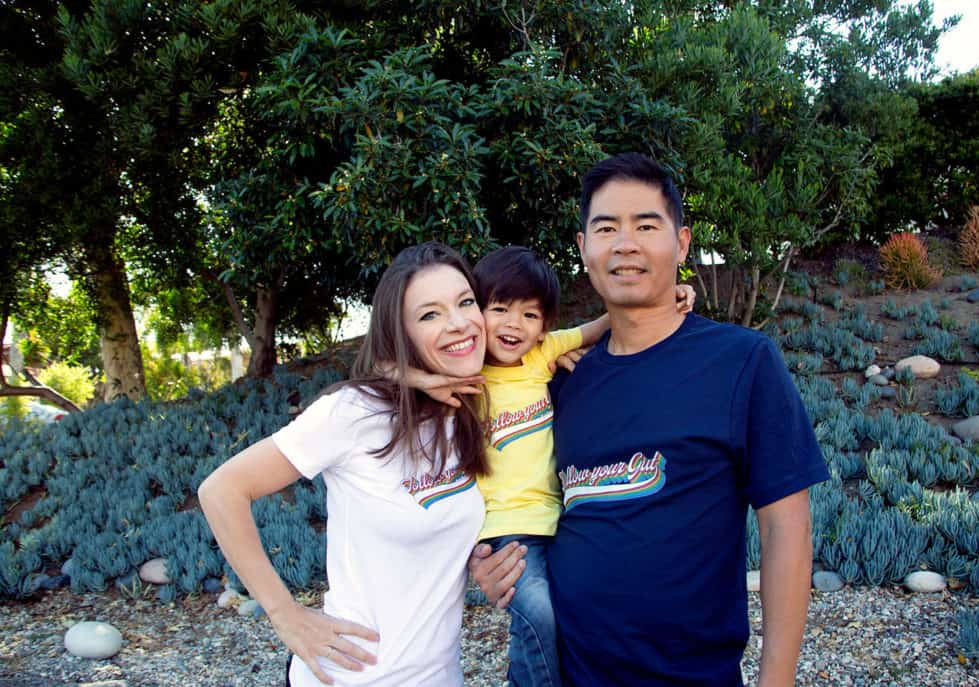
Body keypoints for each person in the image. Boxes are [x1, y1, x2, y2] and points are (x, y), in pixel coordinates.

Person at [470, 153, 830, 687]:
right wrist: (491, 562)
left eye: (645, 225)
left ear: (681, 243)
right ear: (584, 249)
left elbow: (786, 527)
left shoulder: (740, 362)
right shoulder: (559, 383)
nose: (625, 243)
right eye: (607, 227)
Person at [198, 242, 490, 687]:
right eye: (429, 314)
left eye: (465, 302)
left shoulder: (474, 407)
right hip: (352, 676)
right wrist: (286, 616)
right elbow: (221, 491)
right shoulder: (355, 413)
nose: (458, 323)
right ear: (402, 333)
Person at [403, 245, 694, 687]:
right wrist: (423, 378)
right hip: (503, 527)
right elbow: (383, 367)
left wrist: (666, 296)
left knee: (568, 614)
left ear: (544, 327)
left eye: (531, 315)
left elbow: (602, 326)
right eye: (499, 309)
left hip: (557, 519)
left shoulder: (542, 356)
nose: (514, 325)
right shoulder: (462, 372)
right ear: (477, 311)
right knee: (537, 611)